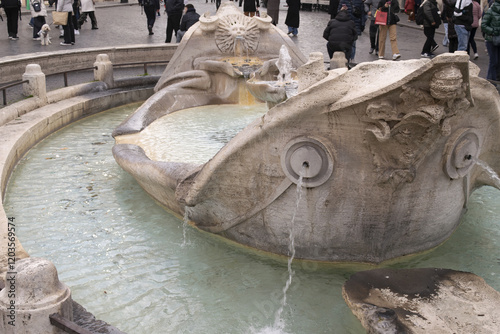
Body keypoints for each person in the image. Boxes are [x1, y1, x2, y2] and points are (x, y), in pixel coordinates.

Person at [481, 0, 500, 81]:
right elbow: (483, 25)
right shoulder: (490, 11)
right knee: (493, 61)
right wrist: (493, 31)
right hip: (491, 39)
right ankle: (490, 80)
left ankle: (495, 79)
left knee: (497, 61)